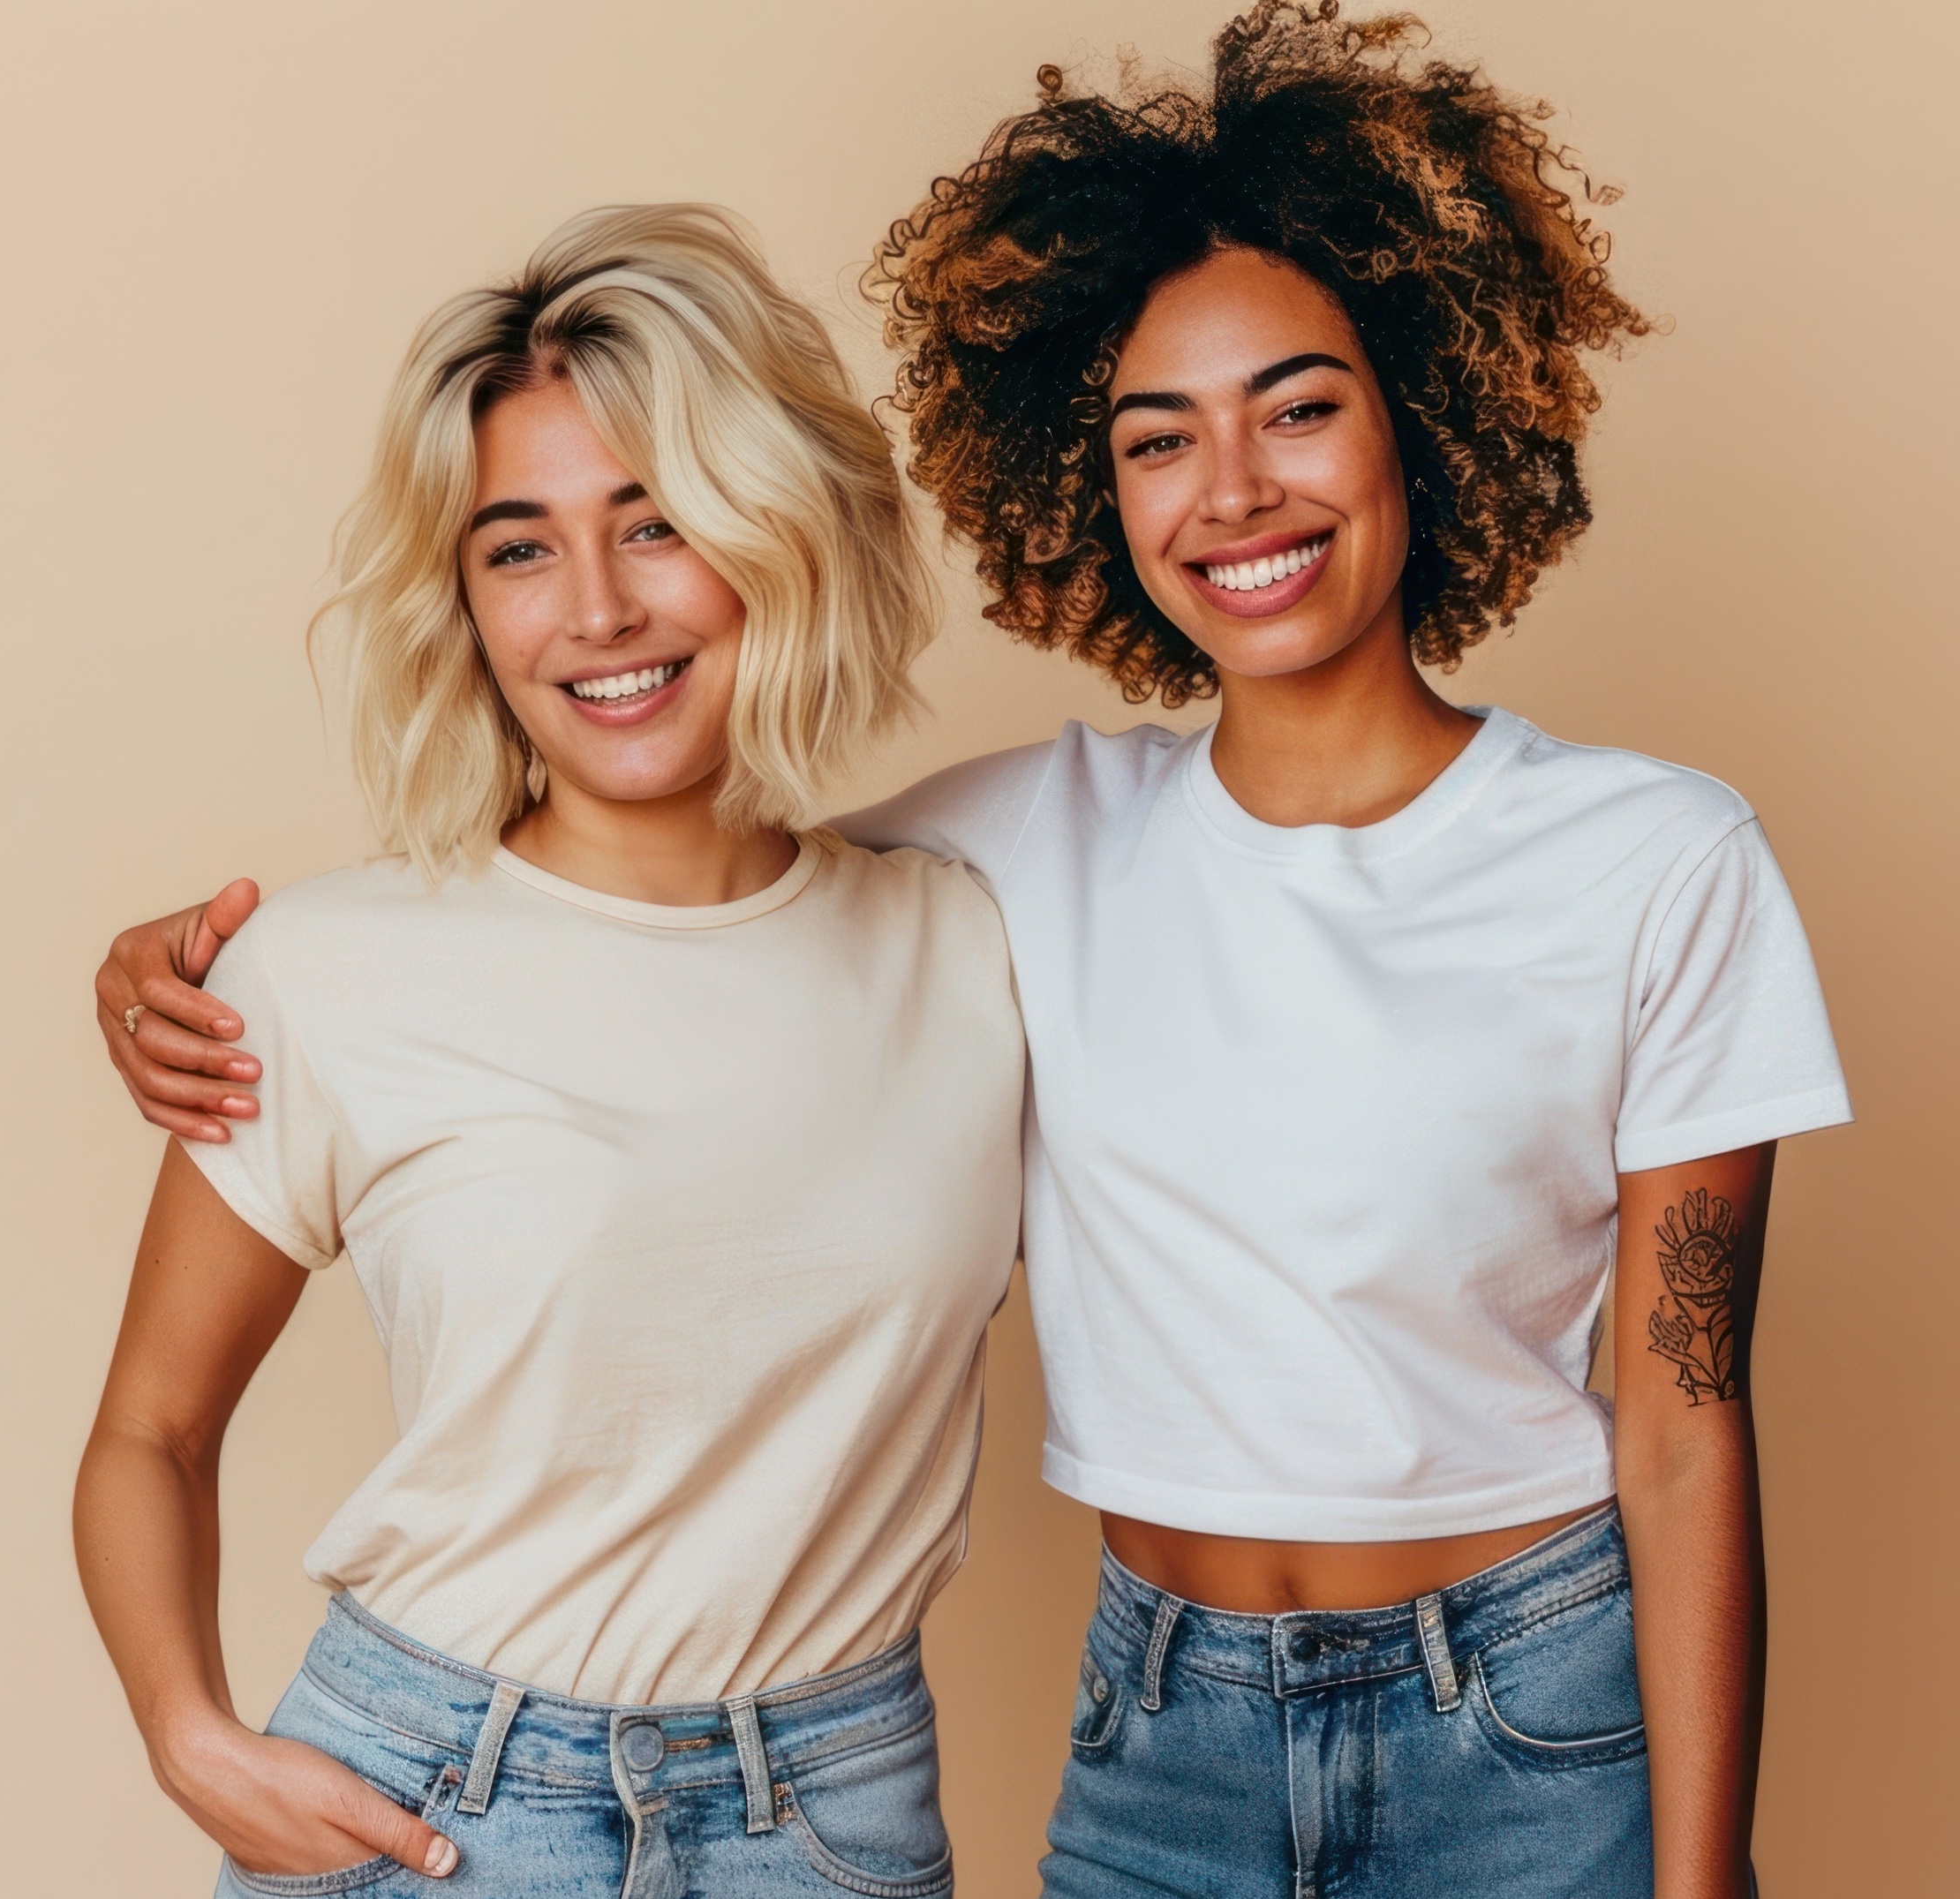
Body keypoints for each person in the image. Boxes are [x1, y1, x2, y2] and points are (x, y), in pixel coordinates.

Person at [94, 8, 1852, 1897]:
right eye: (1157, 436)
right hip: (1137, 1728)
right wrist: (162, 976)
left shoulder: (1648, 857)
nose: (1234, 487)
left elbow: (1686, 1409)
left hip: (1513, 1698)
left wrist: (1707, 1869)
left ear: (1418, 406)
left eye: (1302, 405)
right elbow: (669, 905)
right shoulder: (1022, 845)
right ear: (1096, 488)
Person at [74, 204, 1024, 1899]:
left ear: (785, 529)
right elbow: (149, 1429)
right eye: (519, 547)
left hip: (834, 1811)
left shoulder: (976, 941)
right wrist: (189, 1737)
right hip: (431, 1795)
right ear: (465, 602)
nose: (595, 608)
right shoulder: (326, 968)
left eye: (655, 525)